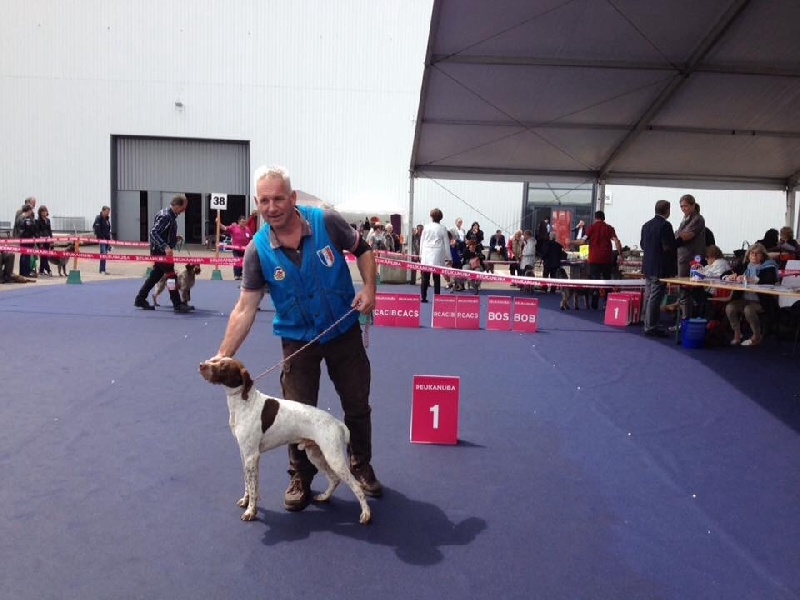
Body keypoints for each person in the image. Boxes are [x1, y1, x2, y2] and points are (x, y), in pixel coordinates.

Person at [212, 165, 382, 511]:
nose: (271, 207)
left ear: (292, 198)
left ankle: (360, 464)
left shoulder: (326, 221)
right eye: (264, 201)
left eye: (278, 198)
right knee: (294, 414)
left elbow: (363, 250)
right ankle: (300, 477)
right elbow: (246, 307)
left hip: (343, 330)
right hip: (297, 340)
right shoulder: (257, 250)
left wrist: (369, 288)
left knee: (357, 404)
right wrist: (223, 355)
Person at [133, 194, 192, 312]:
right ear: (176, 205)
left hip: (160, 251)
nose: (183, 212)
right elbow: (153, 233)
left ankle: (140, 298)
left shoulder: (169, 215)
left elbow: (162, 233)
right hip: (161, 252)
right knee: (171, 276)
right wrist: (165, 246)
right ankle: (177, 304)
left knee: (156, 276)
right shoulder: (166, 216)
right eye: (182, 208)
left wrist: (174, 238)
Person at [725, 243, 779, 347]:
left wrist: (751, 279)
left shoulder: (769, 266)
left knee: (748, 309)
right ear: (748, 255)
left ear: (762, 256)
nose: (754, 256)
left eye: (757, 254)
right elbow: (725, 273)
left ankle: (756, 336)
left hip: (761, 302)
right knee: (730, 307)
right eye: (752, 253)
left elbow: (769, 279)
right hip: (744, 299)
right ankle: (737, 333)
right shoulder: (744, 265)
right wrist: (730, 277)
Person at [640, 200, 680, 338]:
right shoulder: (665, 225)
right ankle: (651, 326)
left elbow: (642, 245)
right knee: (655, 298)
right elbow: (668, 246)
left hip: (648, 266)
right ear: (667, 211)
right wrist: (678, 241)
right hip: (660, 267)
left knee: (648, 295)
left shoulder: (646, 225)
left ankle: (646, 321)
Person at [675, 194, 706, 319]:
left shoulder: (698, 219)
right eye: (681, 206)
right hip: (683, 257)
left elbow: (687, 236)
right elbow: (680, 234)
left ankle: (687, 319)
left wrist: (677, 234)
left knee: (689, 289)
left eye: (686, 206)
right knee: (683, 290)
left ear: (693, 205)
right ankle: (685, 317)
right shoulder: (685, 219)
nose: (683, 208)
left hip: (693, 259)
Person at [583, 210, 623, 309]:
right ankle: (606, 301)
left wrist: (571, 242)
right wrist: (620, 253)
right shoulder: (609, 228)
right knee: (607, 280)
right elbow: (616, 241)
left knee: (595, 280)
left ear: (595, 218)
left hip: (594, 259)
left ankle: (595, 299)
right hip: (606, 258)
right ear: (604, 218)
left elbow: (583, 241)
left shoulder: (591, 228)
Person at [420, 208, 451, 301]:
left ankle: (423, 297)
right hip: (437, 253)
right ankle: (437, 297)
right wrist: (449, 257)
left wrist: (420, 254)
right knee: (436, 277)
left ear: (431, 217)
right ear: (440, 218)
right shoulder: (443, 228)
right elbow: (446, 244)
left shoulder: (426, 227)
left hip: (426, 252)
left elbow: (422, 241)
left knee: (425, 277)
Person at [218, 215, 252, 280]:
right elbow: (224, 228)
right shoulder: (234, 227)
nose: (243, 223)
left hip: (245, 249)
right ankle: (236, 275)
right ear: (239, 222)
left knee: (244, 262)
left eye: (244, 222)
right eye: (242, 222)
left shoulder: (247, 229)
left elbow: (251, 238)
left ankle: (242, 275)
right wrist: (218, 223)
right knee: (237, 261)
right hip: (236, 249)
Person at [16, 204, 36, 277]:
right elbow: (23, 230)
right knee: (25, 256)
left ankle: (23, 272)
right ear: (29, 210)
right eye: (31, 210)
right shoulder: (23, 219)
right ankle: (25, 273)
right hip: (26, 240)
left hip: (25, 239)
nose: (31, 212)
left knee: (24, 256)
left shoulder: (23, 218)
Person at [93, 206, 112, 275]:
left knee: (105, 255)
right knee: (103, 254)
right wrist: (101, 237)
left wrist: (109, 241)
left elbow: (108, 230)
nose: (108, 213)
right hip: (102, 239)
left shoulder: (107, 219)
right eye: (107, 212)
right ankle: (102, 270)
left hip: (107, 240)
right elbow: (96, 228)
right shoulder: (98, 218)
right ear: (103, 211)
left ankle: (103, 269)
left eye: (109, 212)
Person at [35, 205, 53, 277]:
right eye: (42, 211)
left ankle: (41, 270)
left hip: (48, 239)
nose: (44, 213)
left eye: (45, 211)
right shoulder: (38, 221)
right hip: (41, 239)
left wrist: (52, 240)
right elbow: (37, 231)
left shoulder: (48, 220)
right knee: (43, 255)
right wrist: (39, 240)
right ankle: (48, 270)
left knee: (45, 256)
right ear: (40, 212)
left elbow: (50, 230)